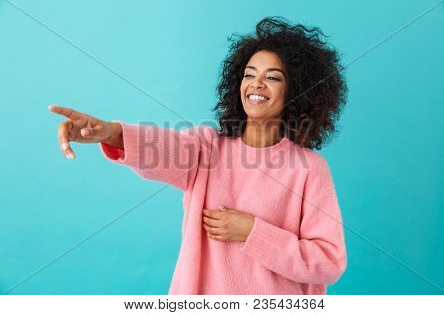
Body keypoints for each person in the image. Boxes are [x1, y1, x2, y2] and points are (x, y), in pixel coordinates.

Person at [48, 16, 348, 295]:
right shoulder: (206, 147)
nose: (256, 84)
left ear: (296, 91)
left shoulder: (309, 168)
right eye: (249, 74)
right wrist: (110, 132)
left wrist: (252, 232)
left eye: (273, 78)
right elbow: (162, 147)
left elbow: (328, 262)